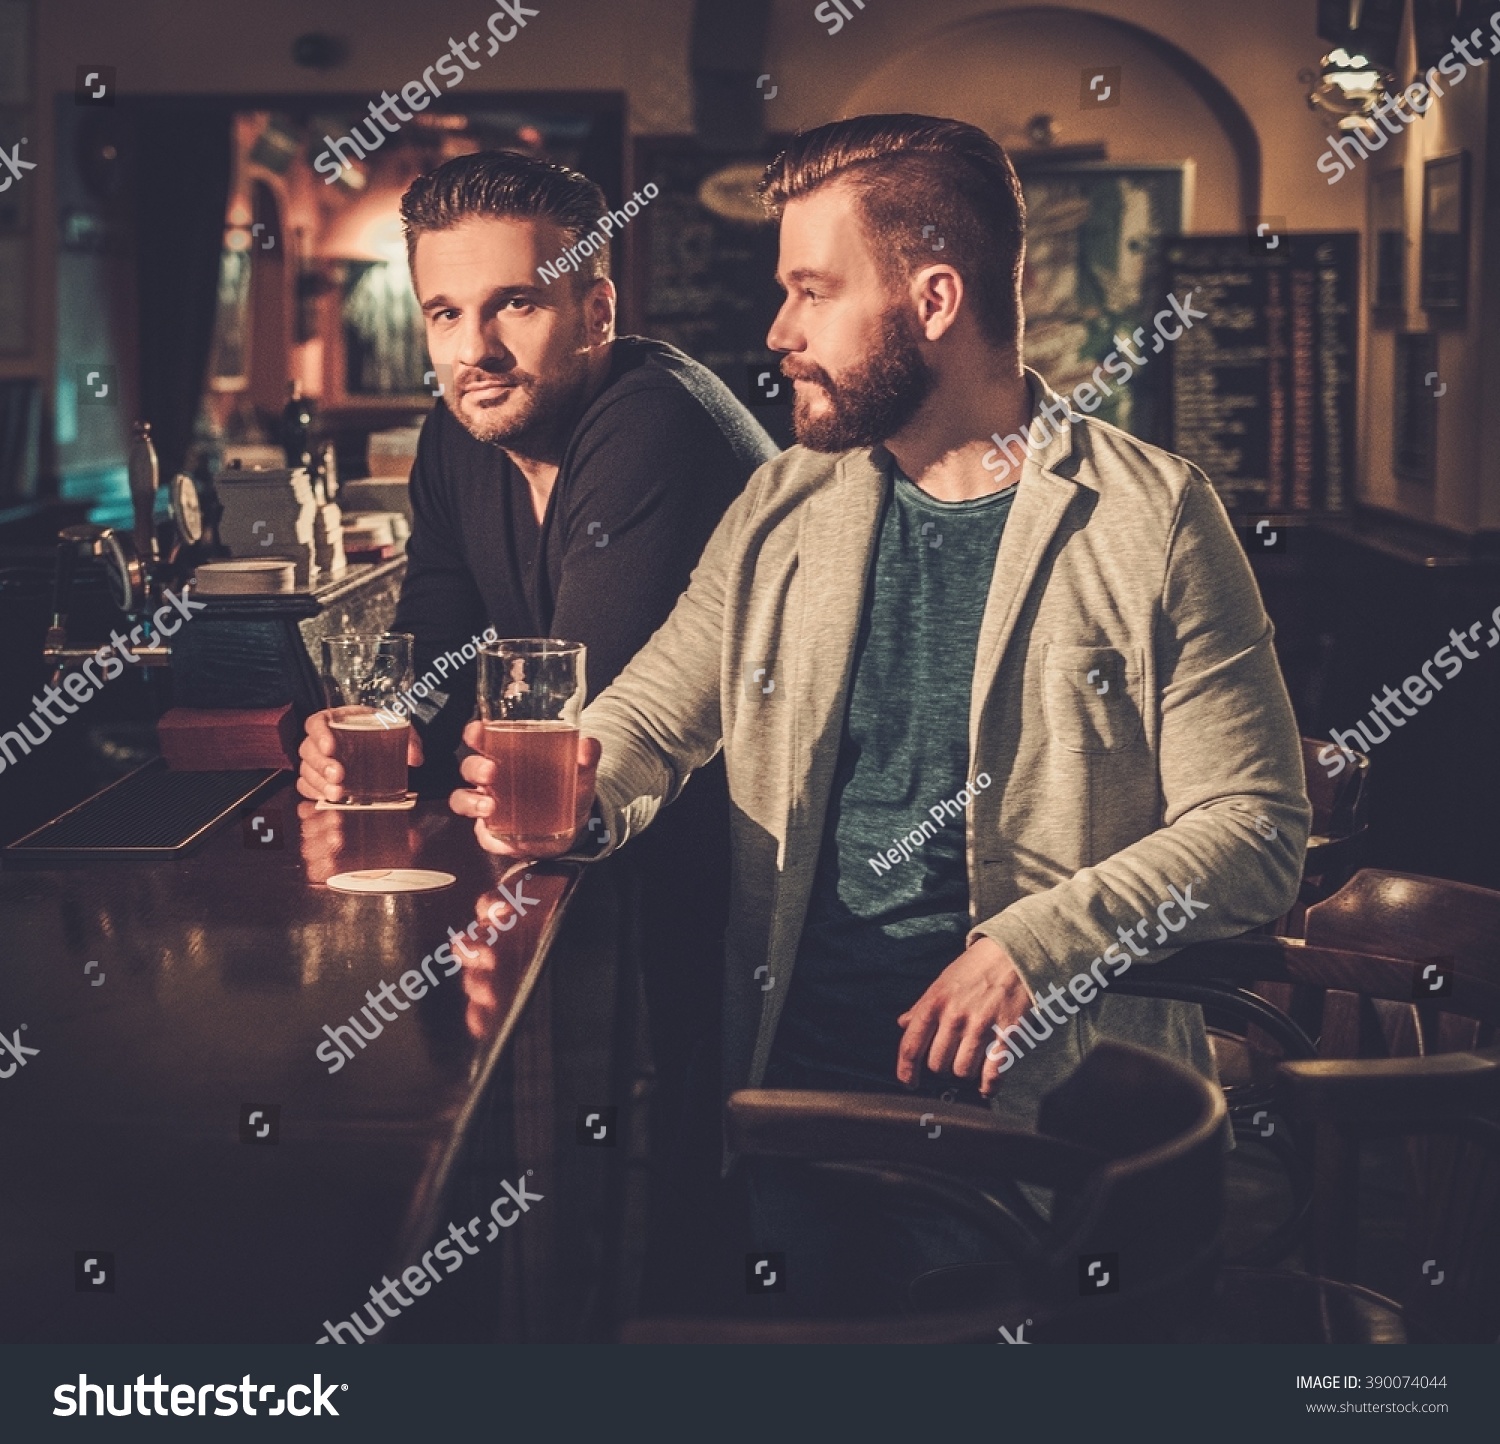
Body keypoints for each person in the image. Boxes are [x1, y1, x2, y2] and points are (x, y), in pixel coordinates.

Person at [449, 115, 1311, 1314]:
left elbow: (1258, 829)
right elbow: (653, 713)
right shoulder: (785, 503)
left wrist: (1040, 944)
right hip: (790, 1101)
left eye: (811, 290)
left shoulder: (1152, 517)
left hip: (1041, 1123)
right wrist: (581, 792)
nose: (778, 331)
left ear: (935, 298)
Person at [295, 150, 777, 1310]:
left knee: (700, 1159)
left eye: (514, 302)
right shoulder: (460, 430)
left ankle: (684, 1340)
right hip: (621, 840)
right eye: (446, 313)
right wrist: (356, 734)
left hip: (761, 850)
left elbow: (574, 724)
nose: (476, 350)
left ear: (595, 307)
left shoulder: (653, 421)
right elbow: (434, 644)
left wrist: (442, 732)